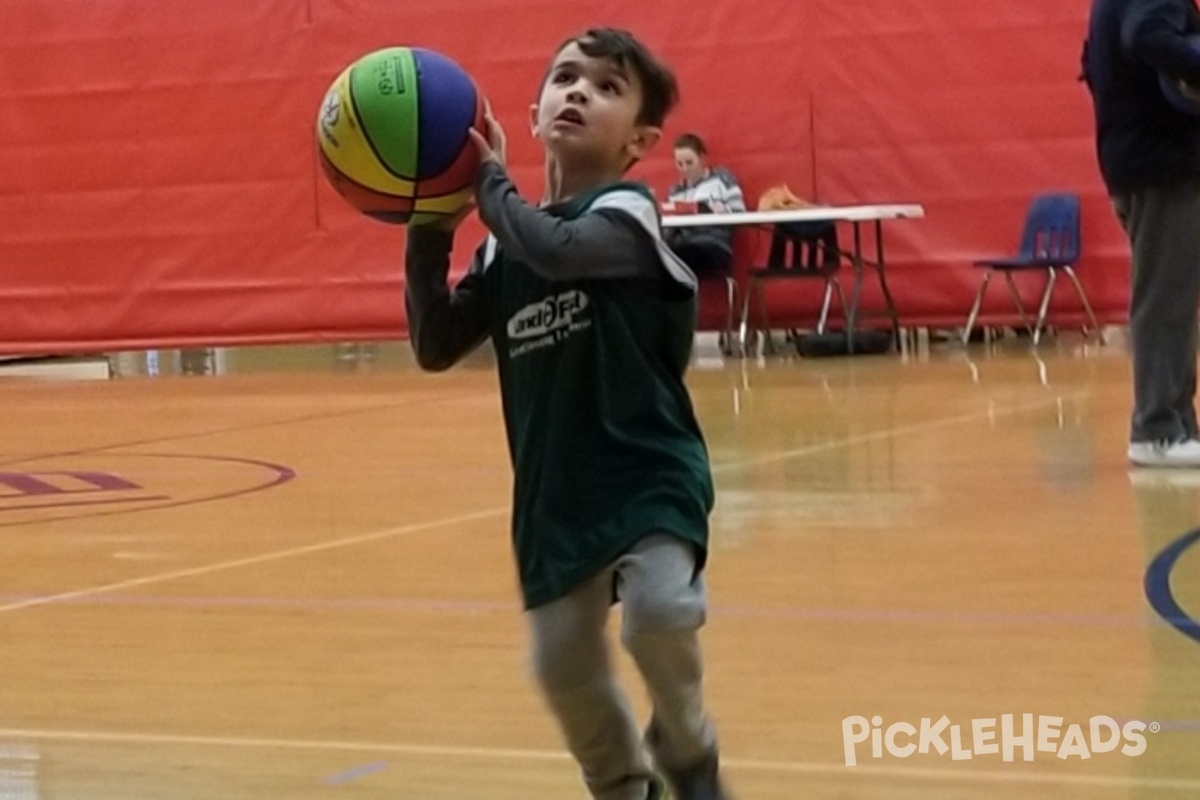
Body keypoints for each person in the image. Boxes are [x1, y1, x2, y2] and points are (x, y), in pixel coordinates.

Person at [403, 27, 731, 800]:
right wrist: (426, 229)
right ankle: (621, 784)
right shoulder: (503, 249)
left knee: (661, 612)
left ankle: (686, 742)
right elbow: (436, 344)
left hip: (646, 469)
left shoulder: (628, 214)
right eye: (564, 78)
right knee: (560, 667)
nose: (579, 91)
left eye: (607, 87)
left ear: (642, 141)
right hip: (555, 494)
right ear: (534, 110)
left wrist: (487, 187)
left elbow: (556, 248)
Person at [1083, 0, 1200, 467]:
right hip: (1162, 166)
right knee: (1165, 301)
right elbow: (1146, 36)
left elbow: (1092, 62)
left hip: (1136, 160)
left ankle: (1176, 423)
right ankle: (1157, 430)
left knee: (1172, 298)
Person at [663, 133, 746, 277]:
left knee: (671, 261)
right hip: (681, 245)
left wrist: (713, 209)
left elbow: (739, 212)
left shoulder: (722, 178)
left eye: (689, 162)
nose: (684, 168)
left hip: (712, 244)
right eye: (679, 163)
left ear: (702, 158)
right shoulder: (674, 191)